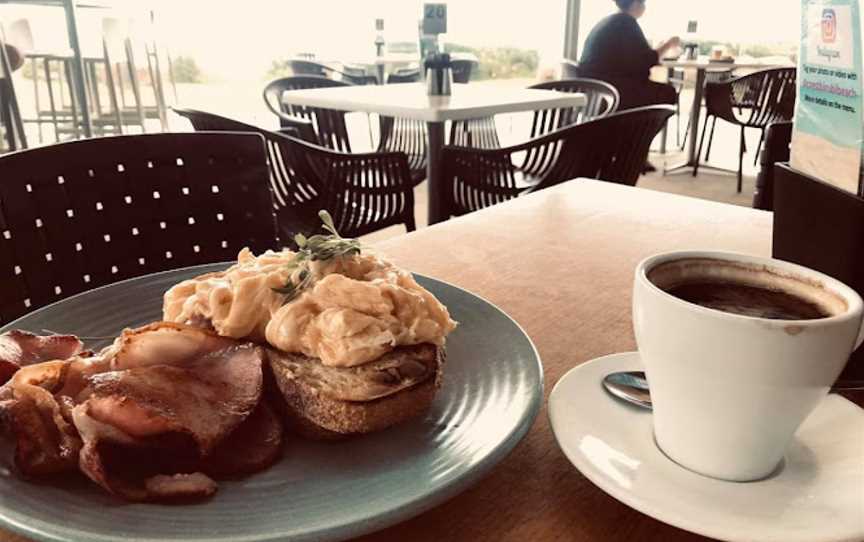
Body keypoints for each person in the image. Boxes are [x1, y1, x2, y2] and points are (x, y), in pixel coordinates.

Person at [578, 0, 680, 111]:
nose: (644, 7)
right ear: (635, 3)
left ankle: (633, 127)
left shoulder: (608, 22)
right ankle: (637, 127)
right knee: (668, 93)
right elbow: (647, 60)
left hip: (593, 92)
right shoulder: (626, 23)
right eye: (643, 3)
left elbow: (630, 58)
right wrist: (668, 44)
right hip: (612, 92)